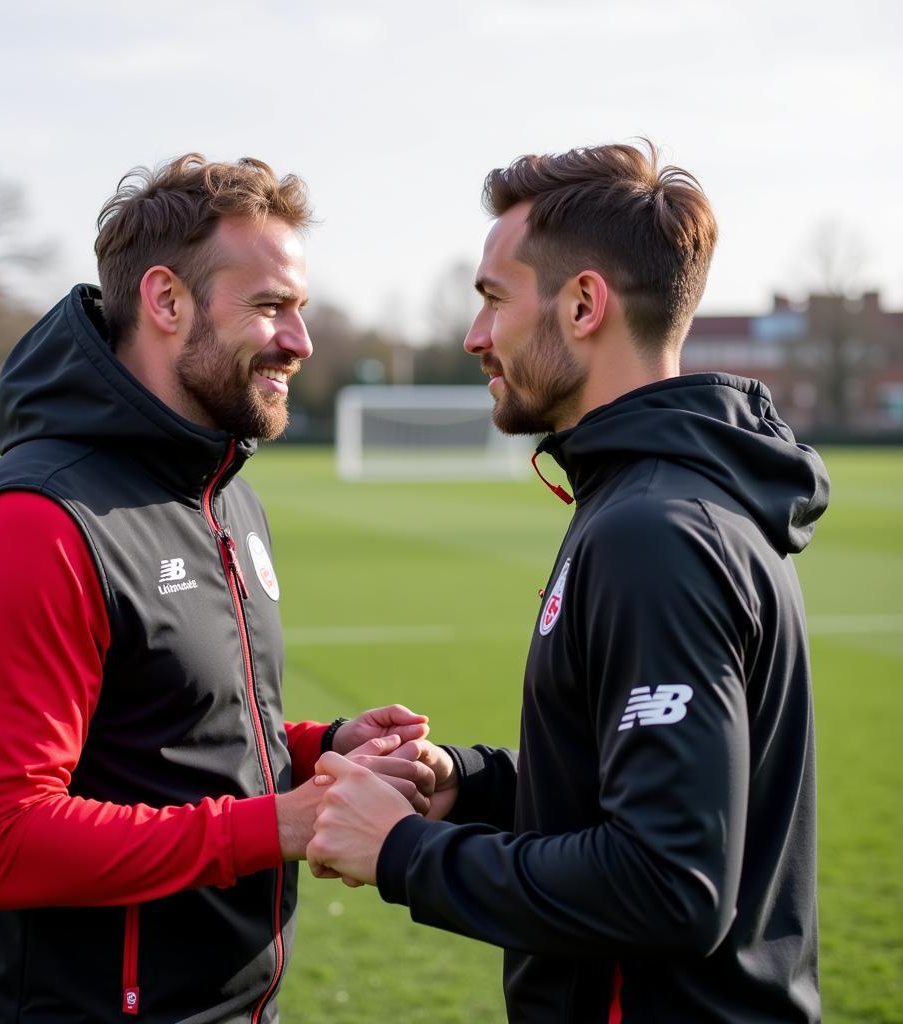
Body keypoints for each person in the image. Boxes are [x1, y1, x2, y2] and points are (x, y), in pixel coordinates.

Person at [307, 141, 829, 1023]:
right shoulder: (644, 502)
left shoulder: (655, 534)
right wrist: (466, 785)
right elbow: (628, 789)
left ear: (584, 303)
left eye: (492, 300)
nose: (475, 336)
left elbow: (669, 884)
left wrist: (403, 852)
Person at [0, 153, 436, 1024]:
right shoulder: (34, 525)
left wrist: (322, 751)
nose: (300, 343)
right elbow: (0, 841)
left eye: (300, 309)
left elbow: (180, 734)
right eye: (271, 307)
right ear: (165, 301)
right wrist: (278, 825)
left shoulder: (230, 498)